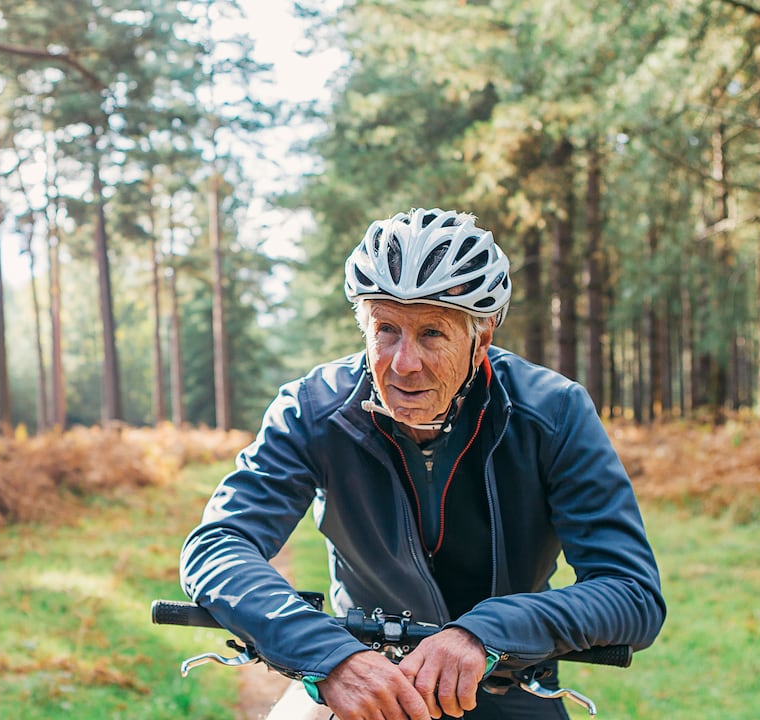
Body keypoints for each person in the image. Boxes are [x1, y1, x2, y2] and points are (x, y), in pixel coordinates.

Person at [179, 208, 665, 719]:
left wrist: (486, 631)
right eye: (386, 329)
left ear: (482, 338)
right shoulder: (312, 410)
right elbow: (217, 546)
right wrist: (328, 655)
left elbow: (630, 591)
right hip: (363, 672)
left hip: (508, 682)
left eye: (432, 333)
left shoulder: (553, 412)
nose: (404, 363)